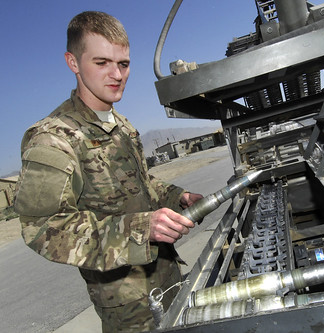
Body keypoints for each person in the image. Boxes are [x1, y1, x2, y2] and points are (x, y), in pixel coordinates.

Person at [14, 11, 202, 332]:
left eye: (123, 64)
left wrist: (177, 196)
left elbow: (141, 184)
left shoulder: (121, 125)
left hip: (168, 279)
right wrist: (142, 229)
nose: (116, 74)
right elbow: (43, 227)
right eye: (101, 63)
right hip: (129, 308)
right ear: (73, 63)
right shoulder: (53, 137)